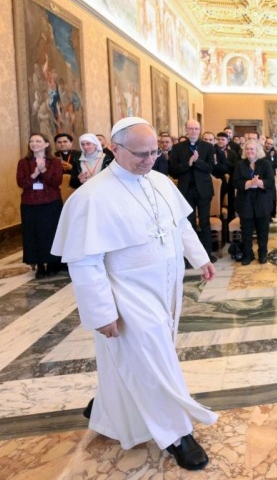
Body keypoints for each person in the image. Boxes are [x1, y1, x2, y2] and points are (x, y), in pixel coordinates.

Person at [51, 117, 217, 470]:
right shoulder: (92, 196)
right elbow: (84, 261)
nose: (150, 160)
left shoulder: (159, 181)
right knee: (155, 362)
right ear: (115, 149)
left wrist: (200, 258)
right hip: (127, 296)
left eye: (155, 152)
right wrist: (101, 313)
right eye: (142, 154)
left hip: (166, 288)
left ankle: (107, 408)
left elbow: (180, 224)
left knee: (138, 358)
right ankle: (177, 435)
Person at [169, 119, 217, 263]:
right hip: (186, 191)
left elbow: (211, 168)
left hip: (203, 191)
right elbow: (173, 171)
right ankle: (191, 257)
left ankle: (207, 255)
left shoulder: (208, 147)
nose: (193, 131)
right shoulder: (177, 148)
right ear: (186, 130)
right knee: (188, 224)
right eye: (191, 129)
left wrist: (198, 161)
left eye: (196, 129)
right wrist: (188, 163)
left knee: (205, 222)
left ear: (200, 130)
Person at [17, 133, 63, 278]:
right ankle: (39, 265)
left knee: (50, 234)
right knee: (32, 235)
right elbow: (21, 183)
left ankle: (52, 263)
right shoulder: (23, 162)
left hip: (51, 203)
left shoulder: (55, 162)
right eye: (31, 141)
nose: (34, 143)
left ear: (46, 144)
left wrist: (43, 170)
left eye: (38, 141)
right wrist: (34, 174)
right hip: (30, 204)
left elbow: (56, 182)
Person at [232, 139, 275, 265]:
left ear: (257, 151)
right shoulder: (240, 164)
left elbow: (270, 182)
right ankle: (248, 255)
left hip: (262, 202)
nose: (249, 151)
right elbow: (236, 183)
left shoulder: (265, 164)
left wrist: (259, 182)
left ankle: (263, 254)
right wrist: (250, 183)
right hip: (245, 202)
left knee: (263, 230)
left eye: (252, 149)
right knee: (246, 231)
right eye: (247, 149)